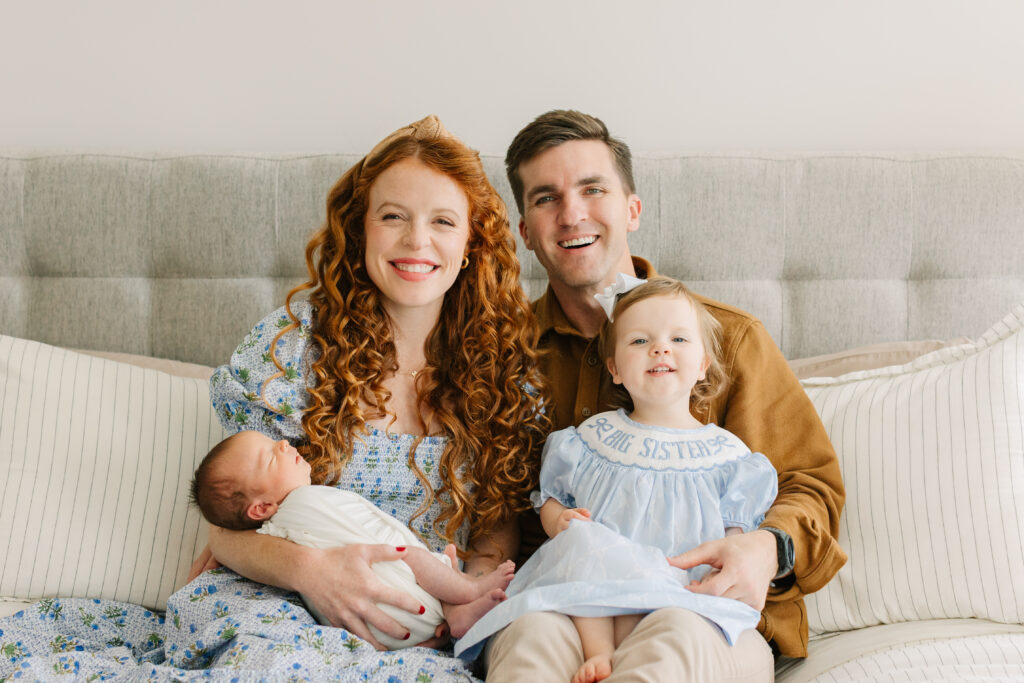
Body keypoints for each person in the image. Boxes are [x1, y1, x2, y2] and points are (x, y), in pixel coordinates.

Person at [485, 110, 847, 682]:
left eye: (592, 189)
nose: (572, 213)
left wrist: (764, 547)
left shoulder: (729, 339)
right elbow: (491, 498)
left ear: (632, 208)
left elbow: (812, 485)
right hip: (568, 605)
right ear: (525, 230)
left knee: (673, 643)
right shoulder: (501, 355)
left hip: (700, 607)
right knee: (528, 641)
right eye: (546, 198)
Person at [187, 115, 548, 678]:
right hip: (289, 601)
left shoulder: (502, 369)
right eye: (393, 217)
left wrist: (463, 593)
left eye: (443, 221)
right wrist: (314, 574)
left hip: (422, 616)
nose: (416, 241)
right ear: (361, 230)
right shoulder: (292, 345)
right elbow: (230, 526)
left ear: (472, 241)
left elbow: (496, 522)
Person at [456, 276, 778, 683]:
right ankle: (598, 653)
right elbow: (552, 496)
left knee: (673, 635)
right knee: (569, 571)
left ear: (703, 365)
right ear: (615, 369)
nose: (660, 348)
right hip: (593, 598)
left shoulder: (727, 456)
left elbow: (735, 535)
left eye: (678, 339)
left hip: (681, 596)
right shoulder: (592, 439)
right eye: (639, 341)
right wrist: (558, 520)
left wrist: (734, 554)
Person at [188, 430, 515, 649]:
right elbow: (378, 528)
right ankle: (466, 592)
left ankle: (454, 609)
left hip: (373, 633)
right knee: (409, 554)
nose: (285, 444)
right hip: (382, 603)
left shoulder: (274, 528)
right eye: (272, 456)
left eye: (277, 443)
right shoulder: (307, 501)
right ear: (261, 508)